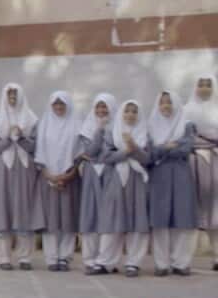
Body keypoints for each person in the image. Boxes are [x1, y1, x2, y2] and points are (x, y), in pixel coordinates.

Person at [90, 100, 151, 277]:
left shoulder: (145, 133)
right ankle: (105, 262)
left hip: (137, 180)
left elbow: (148, 159)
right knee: (112, 220)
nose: (130, 115)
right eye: (127, 111)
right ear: (121, 114)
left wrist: (135, 147)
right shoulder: (112, 133)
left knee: (137, 220)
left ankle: (133, 263)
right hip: (116, 179)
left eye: (134, 112)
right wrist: (127, 151)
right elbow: (105, 156)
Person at [0, 83, 44, 270]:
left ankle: (24, 257)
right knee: (2, 210)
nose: (12, 99)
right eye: (9, 96)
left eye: (15, 96)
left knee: (24, 209)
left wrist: (20, 137)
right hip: (2, 169)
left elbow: (34, 147)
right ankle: (3, 257)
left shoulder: (32, 120)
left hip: (25, 168)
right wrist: (7, 138)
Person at [147, 90, 198, 276]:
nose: (166, 106)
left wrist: (163, 149)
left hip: (180, 174)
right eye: (162, 103)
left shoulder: (186, 125)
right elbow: (149, 153)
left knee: (182, 218)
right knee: (160, 220)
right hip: (159, 175)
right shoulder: (151, 125)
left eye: (169, 102)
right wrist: (166, 147)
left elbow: (185, 149)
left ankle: (181, 263)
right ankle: (161, 264)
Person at [35, 91, 82, 271]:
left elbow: (80, 152)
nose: (59, 107)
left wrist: (68, 174)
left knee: (68, 218)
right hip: (48, 178)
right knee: (51, 219)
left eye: (62, 104)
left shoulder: (76, 124)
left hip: (70, 177)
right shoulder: (44, 124)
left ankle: (65, 257)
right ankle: (52, 257)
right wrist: (49, 174)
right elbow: (39, 151)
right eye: (55, 104)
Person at [77, 94, 116, 272]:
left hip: (110, 172)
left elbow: (113, 151)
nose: (101, 111)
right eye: (98, 108)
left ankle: (106, 260)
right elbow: (91, 151)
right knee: (90, 215)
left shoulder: (118, 127)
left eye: (105, 107)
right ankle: (89, 259)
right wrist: (100, 130)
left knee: (109, 216)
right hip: (92, 173)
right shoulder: (86, 128)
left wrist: (99, 148)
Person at [183, 74, 217, 269]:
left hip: (215, 164)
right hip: (193, 163)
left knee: (215, 212)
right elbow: (185, 137)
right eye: (201, 84)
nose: (204, 88)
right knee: (191, 212)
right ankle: (184, 260)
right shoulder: (187, 111)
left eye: (208, 85)